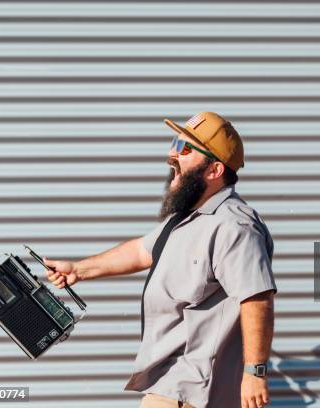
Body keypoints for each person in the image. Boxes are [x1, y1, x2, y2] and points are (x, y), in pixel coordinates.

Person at [43, 112, 277, 408]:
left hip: (194, 390)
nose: (172, 154)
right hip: (170, 383)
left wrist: (255, 372)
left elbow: (257, 298)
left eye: (184, 148)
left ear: (214, 170)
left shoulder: (233, 226)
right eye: (174, 143)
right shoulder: (188, 220)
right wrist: (78, 270)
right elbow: (141, 251)